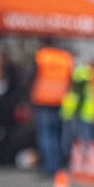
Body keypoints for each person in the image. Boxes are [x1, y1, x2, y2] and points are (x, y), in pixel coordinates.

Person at [29, 38, 74, 178]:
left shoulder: (42, 56)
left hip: (44, 100)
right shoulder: (66, 58)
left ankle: (49, 167)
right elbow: (71, 79)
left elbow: (32, 77)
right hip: (61, 100)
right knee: (59, 135)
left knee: (46, 136)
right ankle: (58, 166)